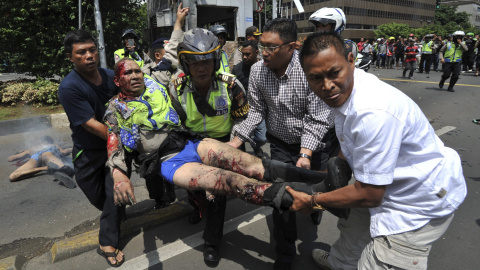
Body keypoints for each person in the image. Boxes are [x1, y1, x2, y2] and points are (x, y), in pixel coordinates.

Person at [104, 58, 350, 266]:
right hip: (168, 160)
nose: (136, 75)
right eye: (129, 73)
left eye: (138, 70)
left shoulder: (157, 84)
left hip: (189, 142)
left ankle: (325, 183)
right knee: (229, 182)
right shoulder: (115, 108)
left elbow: (173, 50)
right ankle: (323, 198)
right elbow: (113, 145)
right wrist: (118, 174)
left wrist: (179, 22)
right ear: (117, 80)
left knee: (251, 164)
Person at [289, 31, 467, 270]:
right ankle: (339, 263)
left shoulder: (372, 111)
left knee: (379, 262)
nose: (327, 86)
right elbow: (351, 140)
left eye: (334, 73)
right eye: (316, 78)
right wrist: (333, 172)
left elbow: (370, 194)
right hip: (387, 186)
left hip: (417, 204)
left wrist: (313, 200)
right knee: (353, 230)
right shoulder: (346, 89)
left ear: (351, 61)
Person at [228, 18, 337, 269]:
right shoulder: (257, 71)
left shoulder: (310, 69)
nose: (263, 53)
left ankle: (315, 206)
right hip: (279, 143)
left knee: (315, 192)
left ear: (292, 46)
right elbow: (255, 111)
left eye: (271, 47)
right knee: (281, 197)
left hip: (314, 144)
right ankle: (285, 254)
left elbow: (319, 117)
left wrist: (306, 152)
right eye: (261, 46)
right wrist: (235, 142)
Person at [169, 28, 250, 264]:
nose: (201, 68)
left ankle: (211, 243)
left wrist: (231, 146)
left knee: (215, 194)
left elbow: (242, 122)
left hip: (226, 142)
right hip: (192, 142)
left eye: (207, 61)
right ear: (185, 63)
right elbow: (174, 124)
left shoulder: (232, 86)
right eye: (194, 62)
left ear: (215, 61)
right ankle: (196, 206)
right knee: (192, 187)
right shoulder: (176, 88)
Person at [58, 29, 124, 267]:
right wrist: (122, 136)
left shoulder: (110, 76)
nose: (89, 56)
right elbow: (90, 124)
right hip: (87, 150)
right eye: (81, 52)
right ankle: (116, 213)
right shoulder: (69, 87)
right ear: (70, 57)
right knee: (97, 195)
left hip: (114, 151)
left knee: (113, 193)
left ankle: (107, 241)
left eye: (92, 50)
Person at [231, 40, 267, 158]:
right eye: (243, 54)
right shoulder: (237, 69)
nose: (245, 57)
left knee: (262, 137)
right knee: (239, 135)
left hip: (258, 108)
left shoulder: (264, 68)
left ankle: (256, 145)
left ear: (256, 53)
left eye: (248, 54)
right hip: (241, 110)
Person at [8, 135, 75, 188]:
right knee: (64, 168)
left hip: (35, 158)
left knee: (12, 177)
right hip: (48, 154)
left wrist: (21, 153)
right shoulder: (53, 145)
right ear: (50, 142)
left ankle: (44, 168)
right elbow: (63, 152)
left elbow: (10, 159)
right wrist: (72, 148)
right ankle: (50, 167)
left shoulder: (33, 148)